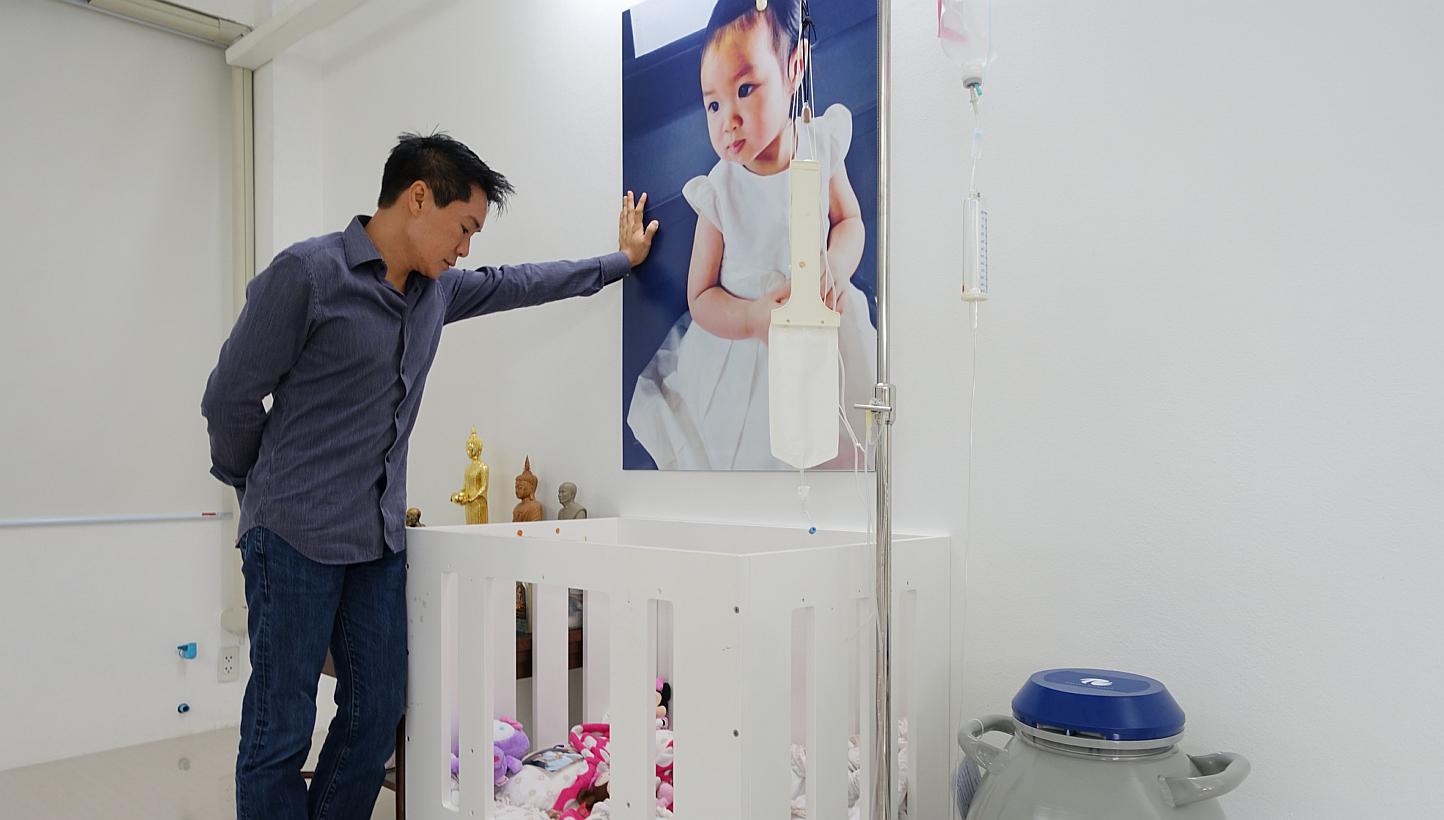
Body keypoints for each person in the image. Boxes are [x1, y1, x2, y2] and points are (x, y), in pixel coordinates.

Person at [201, 131, 658, 820]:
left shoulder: (433, 295)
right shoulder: (307, 275)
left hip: (378, 542)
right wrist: (255, 490)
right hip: (292, 536)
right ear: (418, 197)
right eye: (465, 226)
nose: (467, 248)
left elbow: (522, 283)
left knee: (377, 711)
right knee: (280, 726)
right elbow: (228, 398)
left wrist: (619, 262)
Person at [627, 0, 876, 471]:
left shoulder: (818, 146)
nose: (728, 120)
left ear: (793, 69)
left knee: (839, 439)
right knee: (755, 454)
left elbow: (850, 221)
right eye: (714, 103)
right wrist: (752, 319)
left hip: (820, 321)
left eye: (746, 89)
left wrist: (837, 267)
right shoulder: (721, 188)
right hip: (748, 342)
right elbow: (700, 296)